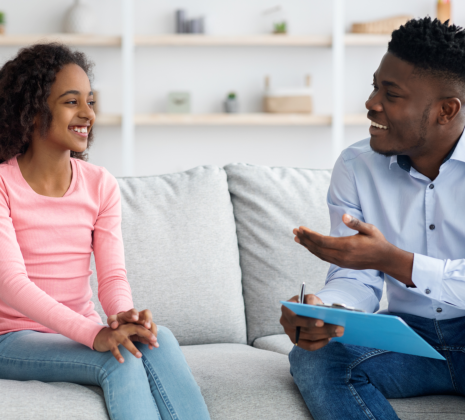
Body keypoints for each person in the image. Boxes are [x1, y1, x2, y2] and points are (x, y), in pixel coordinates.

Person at [0, 43, 210, 420]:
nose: (87, 114)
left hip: (79, 328)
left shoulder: (100, 184)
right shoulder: (2, 184)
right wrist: (93, 334)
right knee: (119, 361)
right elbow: (11, 284)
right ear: (32, 111)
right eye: (71, 101)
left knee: (157, 341)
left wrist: (122, 317)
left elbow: (112, 277)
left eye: (90, 101)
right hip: (12, 338)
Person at [280, 17, 465, 420]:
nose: (371, 103)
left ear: (445, 111)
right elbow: (356, 278)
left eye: (392, 94)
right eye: (375, 86)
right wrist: (325, 312)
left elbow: (380, 261)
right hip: (411, 338)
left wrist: (390, 258)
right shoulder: (356, 165)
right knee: (315, 359)